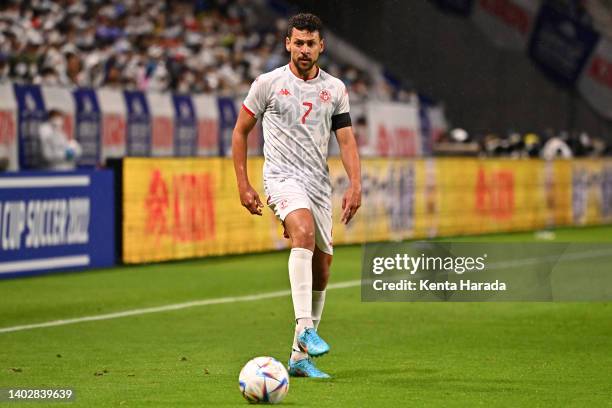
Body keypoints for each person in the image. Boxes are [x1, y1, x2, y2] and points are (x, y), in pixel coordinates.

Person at [232, 13, 361, 378]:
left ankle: (298, 358)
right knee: (301, 232)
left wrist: (356, 184)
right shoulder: (268, 83)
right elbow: (240, 132)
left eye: (311, 43)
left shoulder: (335, 88)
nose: (304, 49)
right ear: (288, 43)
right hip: (281, 177)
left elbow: (346, 139)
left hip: (319, 184)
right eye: (298, 42)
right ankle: (306, 327)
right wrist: (243, 183)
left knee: (322, 269)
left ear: (321, 46)